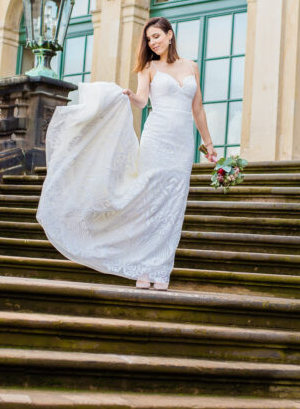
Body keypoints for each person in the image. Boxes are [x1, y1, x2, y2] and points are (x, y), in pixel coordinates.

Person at [36, 16, 218, 290]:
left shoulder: (191, 66)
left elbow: (198, 109)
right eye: (148, 39)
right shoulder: (148, 67)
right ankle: (143, 268)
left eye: (156, 36)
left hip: (182, 144)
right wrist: (130, 96)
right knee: (149, 201)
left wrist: (209, 145)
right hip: (156, 138)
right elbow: (143, 101)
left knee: (173, 204)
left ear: (170, 35)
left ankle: (161, 269)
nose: (152, 42)